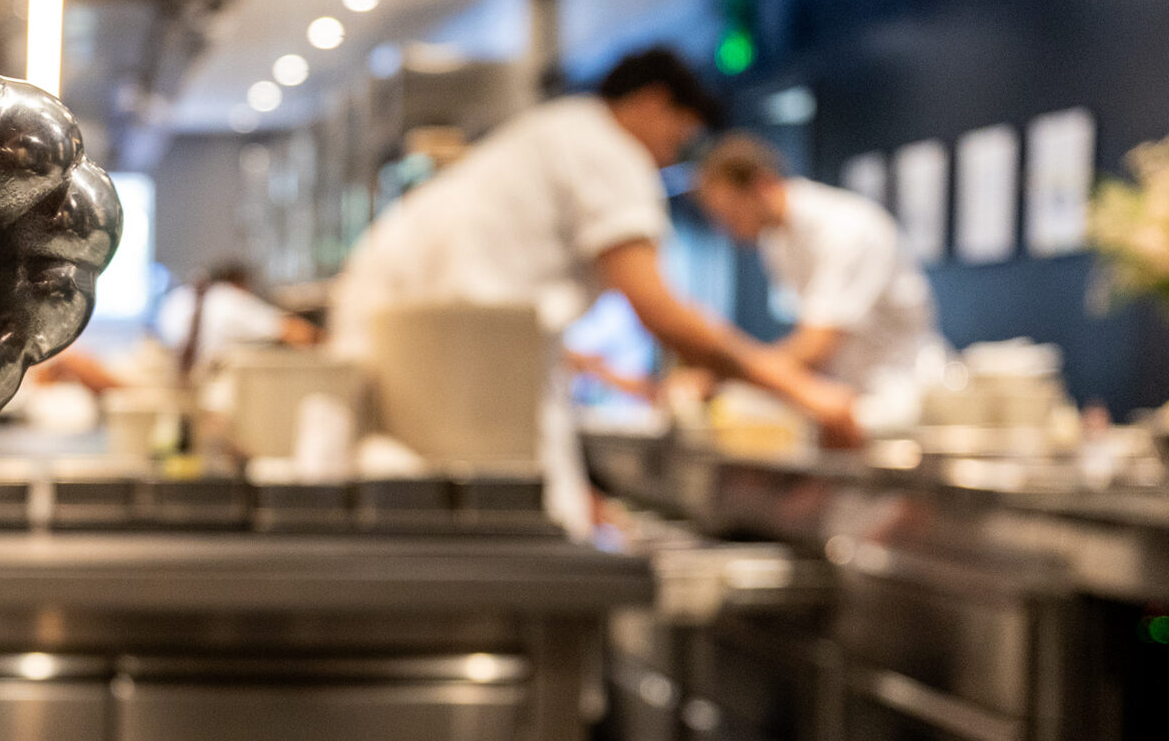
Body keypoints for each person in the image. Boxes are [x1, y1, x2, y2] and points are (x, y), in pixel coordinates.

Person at [330, 46, 861, 534]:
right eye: (677, 138)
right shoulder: (609, 150)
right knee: (497, 535)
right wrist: (805, 394)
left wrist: (575, 485)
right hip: (449, 349)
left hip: (404, 330)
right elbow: (660, 310)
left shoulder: (558, 131)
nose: (669, 158)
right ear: (653, 102)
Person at [692, 133, 947, 429]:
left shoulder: (847, 229)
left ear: (762, 185)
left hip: (904, 395)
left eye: (730, 214)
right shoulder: (776, 243)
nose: (728, 230)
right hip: (850, 391)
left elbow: (817, 343)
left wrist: (730, 375)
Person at [155, 261, 318, 382]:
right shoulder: (229, 301)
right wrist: (325, 339)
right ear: (239, 285)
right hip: (212, 395)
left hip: (178, 389)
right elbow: (293, 330)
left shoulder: (178, 298)